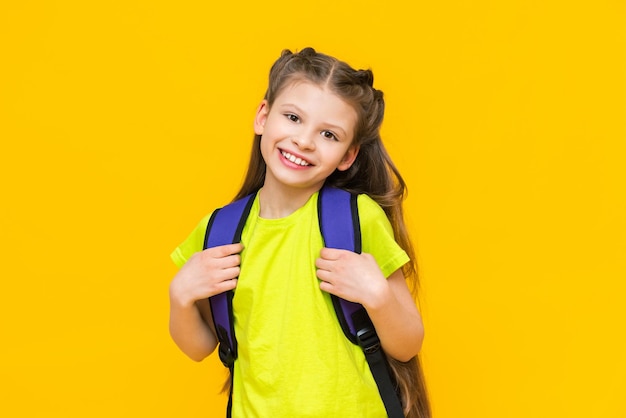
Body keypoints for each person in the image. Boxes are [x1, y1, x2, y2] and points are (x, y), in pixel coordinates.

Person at [169, 47, 430, 418]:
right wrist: (179, 297)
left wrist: (378, 297)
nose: (304, 141)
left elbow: (407, 345)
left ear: (347, 156)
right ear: (263, 116)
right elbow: (200, 346)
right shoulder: (220, 231)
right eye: (293, 117)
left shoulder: (356, 219)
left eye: (328, 134)